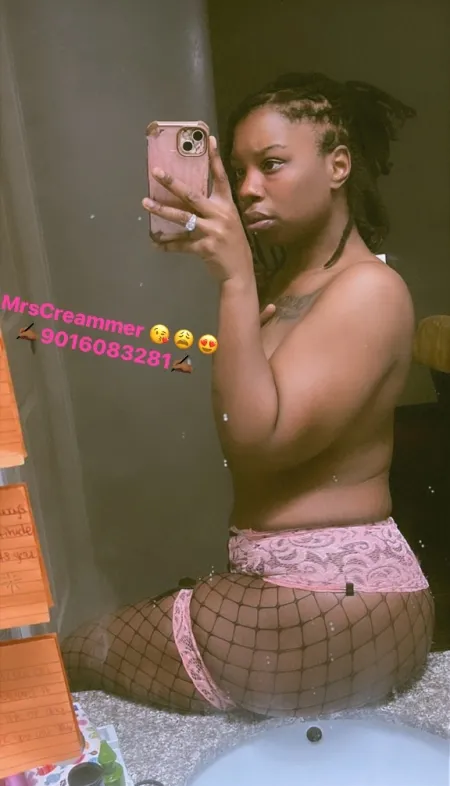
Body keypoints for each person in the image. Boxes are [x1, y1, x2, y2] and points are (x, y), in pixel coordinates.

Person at [62, 72, 434, 717]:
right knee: (74, 657)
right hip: (320, 598)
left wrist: (234, 281)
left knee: (70, 655)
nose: (248, 188)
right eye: (237, 171)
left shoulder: (369, 290)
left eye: (272, 164)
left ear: (338, 166)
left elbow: (258, 441)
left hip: (333, 600)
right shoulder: (292, 285)